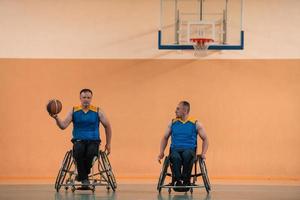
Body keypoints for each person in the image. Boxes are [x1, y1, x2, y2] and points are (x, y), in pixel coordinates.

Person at [49, 88, 112, 187]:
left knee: (90, 153)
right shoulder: (74, 110)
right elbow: (63, 126)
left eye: (88, 97)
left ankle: (82, 176)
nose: (86, 99)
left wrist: (108, 144)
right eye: (84, 97)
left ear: (91, 98)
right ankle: (84, 177)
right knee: (78, 151)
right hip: (78, 141)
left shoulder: (97, 111)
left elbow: (108, 126)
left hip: (93, 141)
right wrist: (56, 117)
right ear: (80, 98)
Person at [157, 101, 208, 187]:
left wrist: (203, 153)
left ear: (184, 110)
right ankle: (177, 180)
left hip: (189, 150)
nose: (175, 111)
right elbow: (165, 138)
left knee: (187, 155)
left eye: (178, 109)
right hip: (175, 150)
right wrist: (161, 152)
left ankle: (185, 180)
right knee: (175, 157)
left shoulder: (196, 123)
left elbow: (205, 139)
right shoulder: (172, 123)